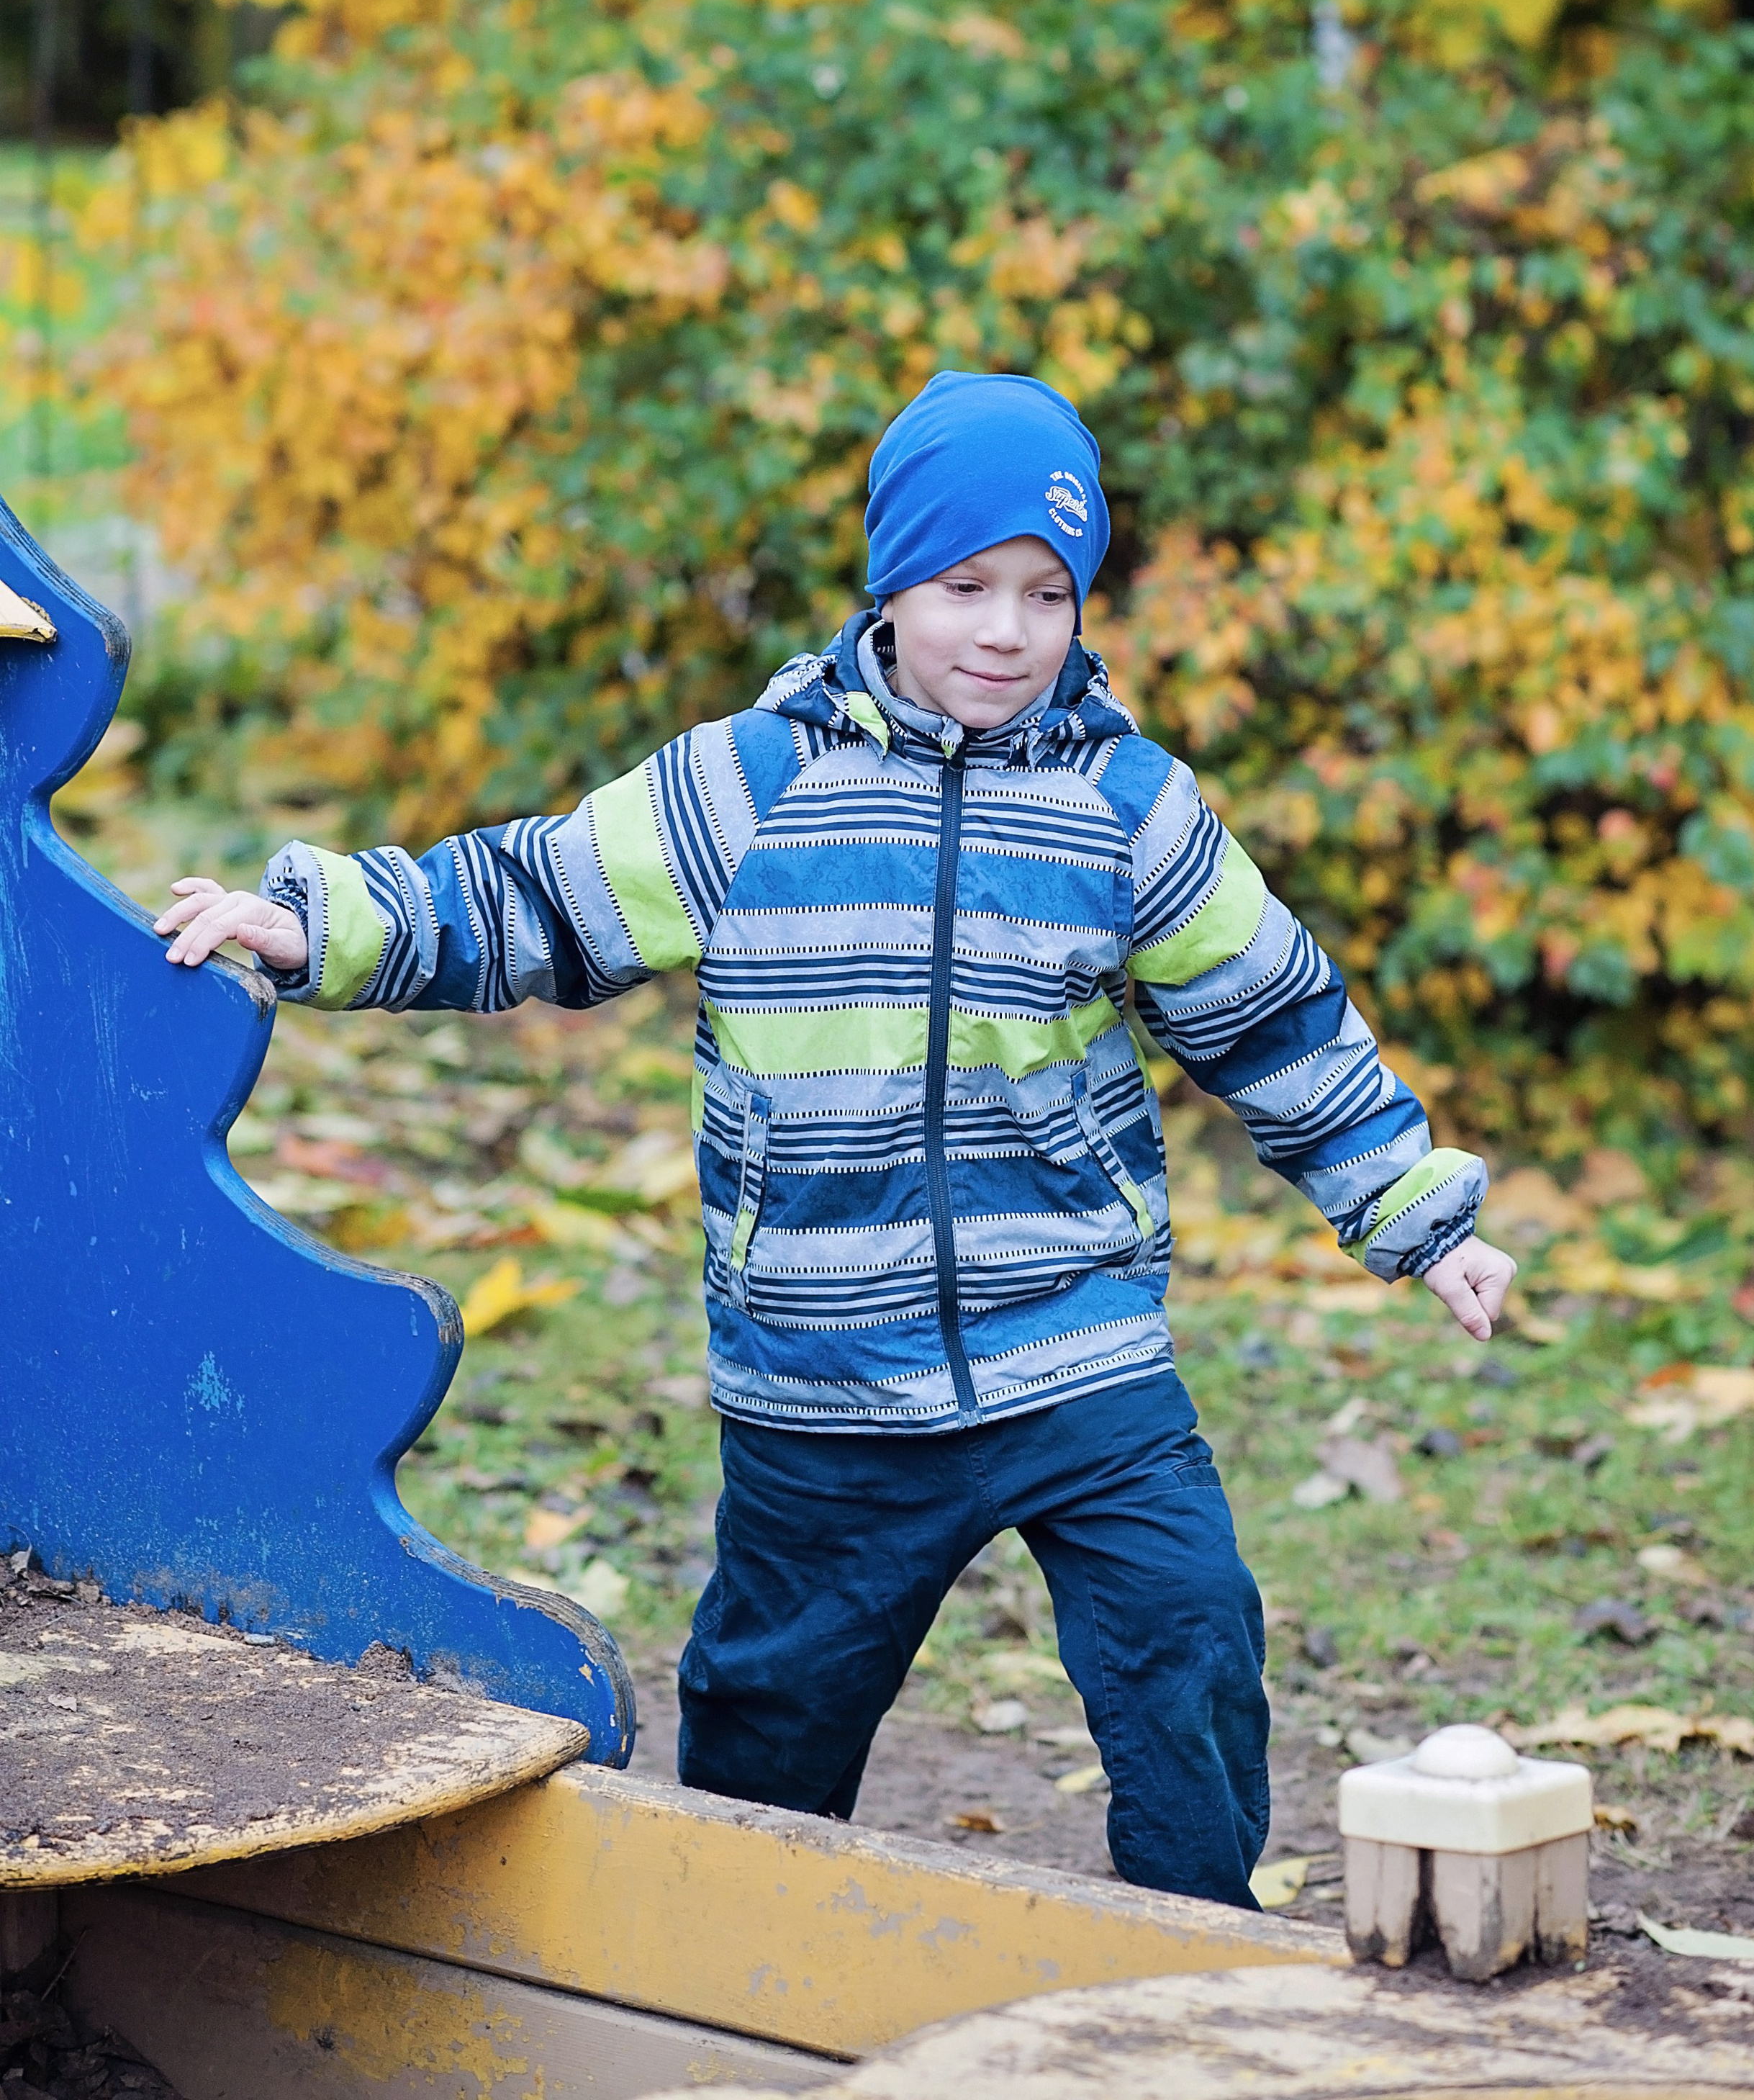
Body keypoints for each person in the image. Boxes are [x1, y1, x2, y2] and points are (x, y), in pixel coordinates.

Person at [157, 369, 1515, 1909]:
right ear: (890, 581)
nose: (1004, 630)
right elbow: (534, 897)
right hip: (820, 1368)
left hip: (1075, 1349)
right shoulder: (754, 781)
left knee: (1189, 1637)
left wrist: (1416, 1210)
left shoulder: (1125, 809)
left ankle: (1195, 1947)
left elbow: (1267, 1015)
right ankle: (733, 1953)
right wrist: (317, 923)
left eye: (1047, 593)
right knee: (766, 1717)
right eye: (965, 584)